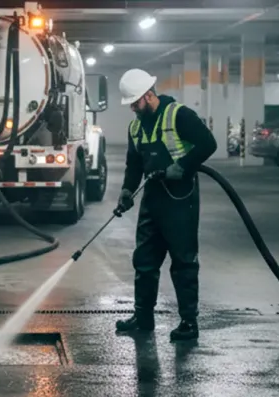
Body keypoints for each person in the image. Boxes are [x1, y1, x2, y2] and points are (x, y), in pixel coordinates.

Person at [113, 68, 218, 341]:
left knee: (183, 262)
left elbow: (208, 143)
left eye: (135, 103)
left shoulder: (179, 115)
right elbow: (134, 163)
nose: (133, 109)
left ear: (148, 95)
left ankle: (189, 323)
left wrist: (182, 167)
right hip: (152, 198)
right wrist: (126, 190)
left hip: (180, 198)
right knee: (144, 260)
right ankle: (143, 318)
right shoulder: (136, 126)